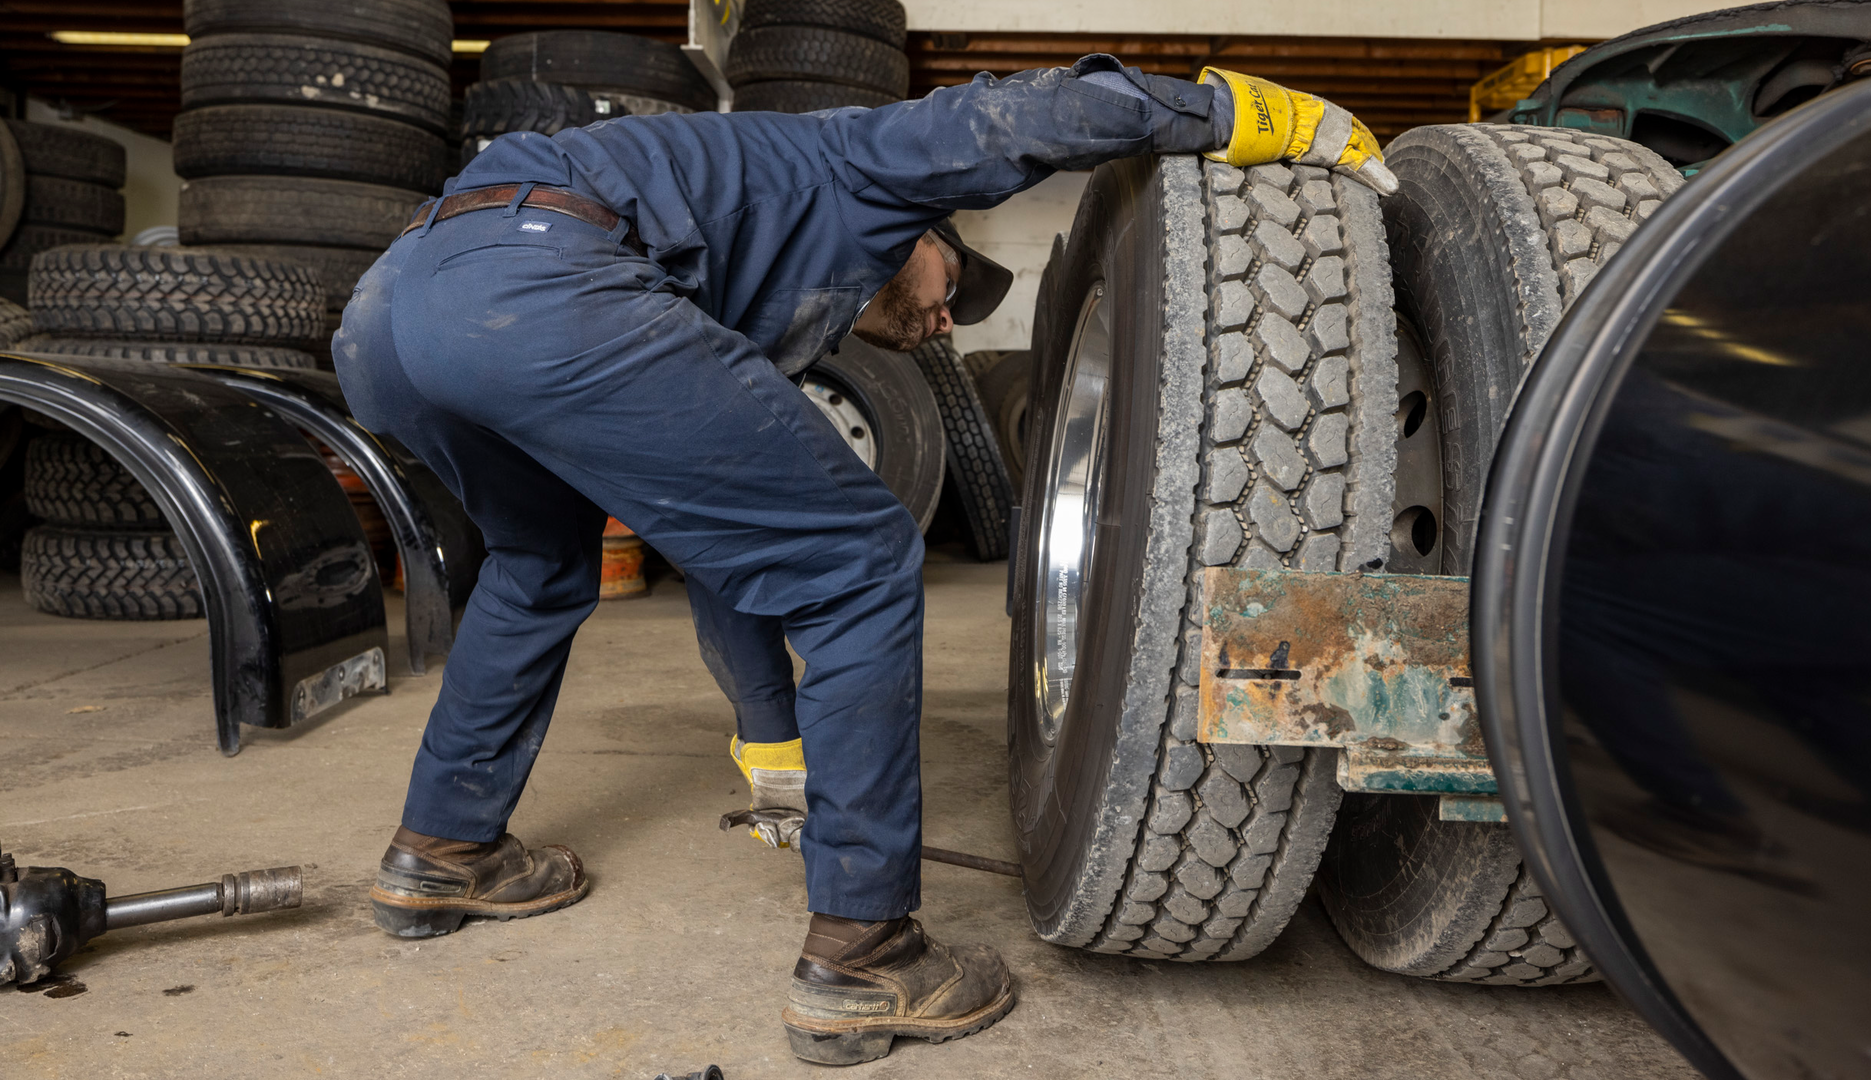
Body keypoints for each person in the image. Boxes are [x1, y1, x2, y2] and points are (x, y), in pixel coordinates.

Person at [331, 57, 1396, 1065]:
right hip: (543, 276)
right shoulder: (859, 161)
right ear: (924, 228)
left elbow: (723, 552)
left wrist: (768, 733)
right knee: (863, 551)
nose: (940, 320)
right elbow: (1031, 113)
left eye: (954, 319)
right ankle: (867, 956)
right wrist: (1246, 116)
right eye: (949, 284)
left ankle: (441, 855)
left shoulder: (731, 278)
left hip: (393, 312)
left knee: (538, 565)